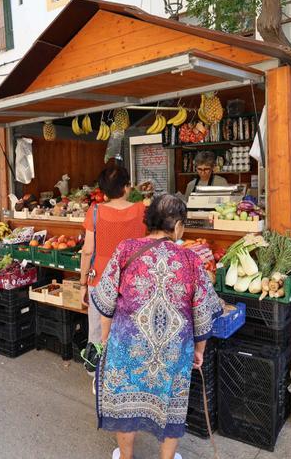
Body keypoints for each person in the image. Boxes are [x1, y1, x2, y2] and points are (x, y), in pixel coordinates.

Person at [92, 194, 223, 459]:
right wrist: (199, 349)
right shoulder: (191, 260)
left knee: (124, 401)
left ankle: (126, 456)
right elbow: (203, 311)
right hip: (173, 349)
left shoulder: (125, 249)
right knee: (172, 403)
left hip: (127, 345)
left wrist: (106, 339)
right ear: (177, 227)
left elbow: (105, 302)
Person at [79, 165, 147, 392]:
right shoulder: (141, 210)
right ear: (127, 187)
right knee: (130, 330)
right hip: (132, 282)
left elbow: (88, 251)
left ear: (103, 191)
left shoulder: (95, 211)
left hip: (100, 281)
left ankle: (98, 375)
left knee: (98, 330)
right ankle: (128, 377)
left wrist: (82, 284)